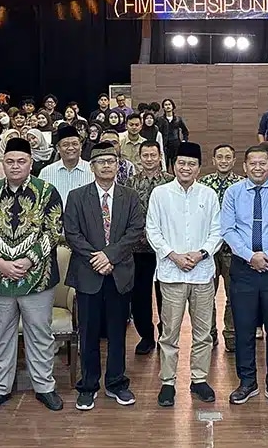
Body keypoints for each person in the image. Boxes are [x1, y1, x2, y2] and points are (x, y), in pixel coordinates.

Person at [0, 138, 65, 413]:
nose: (15, 166)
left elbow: (54, 231)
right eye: (10, 161)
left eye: (21, 161)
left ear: (31, 163)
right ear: (3, 164)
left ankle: (44, 387)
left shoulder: (47, 191)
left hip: (38, 278)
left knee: (40, 335)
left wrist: (28, 260)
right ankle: (0, 388)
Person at [63, 141, 145, 411]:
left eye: (112, 161)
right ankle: (88, 385)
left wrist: (110, 256)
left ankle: (117, 382)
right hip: (88, 273)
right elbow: (72, 233)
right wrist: (96, 258)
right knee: (88, 334)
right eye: (101, 162)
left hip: (119, 273)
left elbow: (135, 231)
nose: (107, 165)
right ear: (92, 166)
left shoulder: (130, 196)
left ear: (118, 164)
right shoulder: (77, 196)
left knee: (117, 332)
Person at [221, 144, 268, 409]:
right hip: (243, 268)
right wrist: (249, 256)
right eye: (252, 163)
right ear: (244, 166)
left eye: (262, 163)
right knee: (243, 329)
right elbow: (228, 230)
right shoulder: (233, 193)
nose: (257, 167)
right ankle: (247, 383)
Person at [144, 142, 221, 407]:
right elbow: (152, 230)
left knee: (203, 334)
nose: (186, 168)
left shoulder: (209, 195)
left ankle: (199, 380)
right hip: (171, 273)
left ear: (199, 168)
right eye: (181, 163)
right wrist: (174, 255)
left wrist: (200, 253)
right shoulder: (160, 193)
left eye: (191, 164)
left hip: (202, 274)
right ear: (173, 165)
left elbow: (217, 231)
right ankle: (168, 383)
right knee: (169, 333)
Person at [125, 141, 174, 354]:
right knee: (140, 296)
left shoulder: (170, 182)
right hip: (138, 250)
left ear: (160, 156)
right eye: (145, 155)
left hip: (166, 250)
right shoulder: (130, 184)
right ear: (140, 157)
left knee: (167, 294)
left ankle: (166, 334)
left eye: (153, 155)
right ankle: (146, 336)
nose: (149, 159)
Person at [199, 144, 243, 350]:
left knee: (234, 295)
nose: (224, 161)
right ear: (213, 160)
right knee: (206, 294)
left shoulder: (242, 184)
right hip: (208, 250)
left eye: (228, 157)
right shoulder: (203, 184)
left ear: (234, 161)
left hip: (233, 250)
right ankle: (209, 335)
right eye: (220, 157)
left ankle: (232, 336)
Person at [40, 125, 94, 210]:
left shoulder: (92, 171)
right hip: (56, 221)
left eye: (75, 144)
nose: (71, 148)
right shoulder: (46, 172)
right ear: (58, 148)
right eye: (65, 145)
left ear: (80, 146)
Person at [158, 99, 189, 169]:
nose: (168, 106)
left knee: (176, 166)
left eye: (169, 104)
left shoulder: (178, 119)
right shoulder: (160, 120)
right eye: (165, 105)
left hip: (176, 145)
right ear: (163, 107)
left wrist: (184, 140)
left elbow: (185, 131)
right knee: (164, 166)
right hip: (164, 145)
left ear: (172, 106)